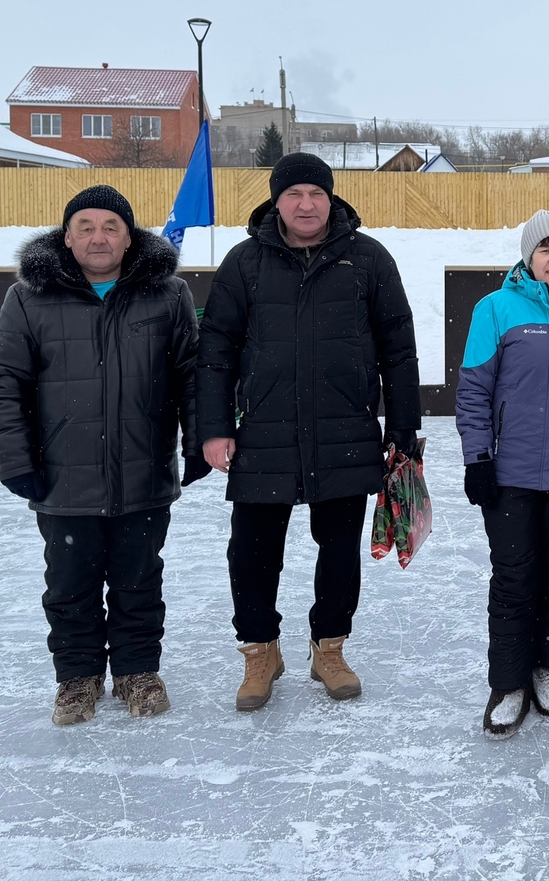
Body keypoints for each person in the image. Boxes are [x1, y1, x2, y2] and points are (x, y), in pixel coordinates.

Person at [197, 153, 419, 712]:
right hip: (263, 433)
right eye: (293, 194)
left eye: (315, 194)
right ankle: (260, 653)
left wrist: (405, 425)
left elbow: (398, 346)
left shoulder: (368, 259)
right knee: (250, 552)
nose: (305, 205)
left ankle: (330, 648)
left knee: (340, 551)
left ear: (331, 197)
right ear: (276, 201)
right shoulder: (244, 263)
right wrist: (215, 428)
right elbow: (216, 353)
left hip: (345, 429)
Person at [0, 185, 203, 726]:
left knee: (138, 580)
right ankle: (77, 678)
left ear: (130, 238)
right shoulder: (29, 298)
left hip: (143, 472)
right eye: (86, 226)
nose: (98, 237)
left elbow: (194, 378)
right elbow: (4, 383)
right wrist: (15, 459)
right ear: (67, 236)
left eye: (111, 226)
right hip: (62, 477)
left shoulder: (167, 295)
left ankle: (136, 672)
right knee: (69, 584)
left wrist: (199, 442)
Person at [456, 210, 549, 739]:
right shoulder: (494, 308)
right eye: (545, 249)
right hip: (511, 474)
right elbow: (473, 390)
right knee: (514, 578)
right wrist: (478, 458)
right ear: (528, 256)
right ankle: (508, 683)